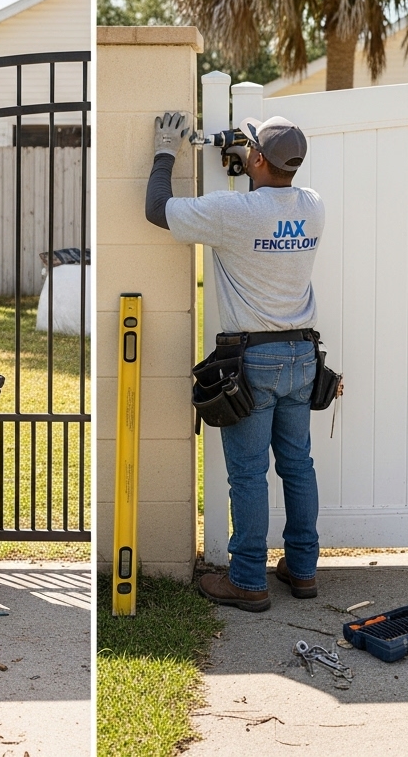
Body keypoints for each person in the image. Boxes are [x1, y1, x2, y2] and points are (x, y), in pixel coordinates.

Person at [146, 113, 325, 612]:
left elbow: (157, 209)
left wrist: (165, 151)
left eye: (252, 150)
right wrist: (248, 153)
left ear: (260, 159)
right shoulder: (313, 206)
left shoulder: (234, 213)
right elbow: (270, 195)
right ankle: (303, 570)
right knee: (297, 465)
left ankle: (248, 580)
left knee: (248, 475)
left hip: (253, 361)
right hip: (302, 355)